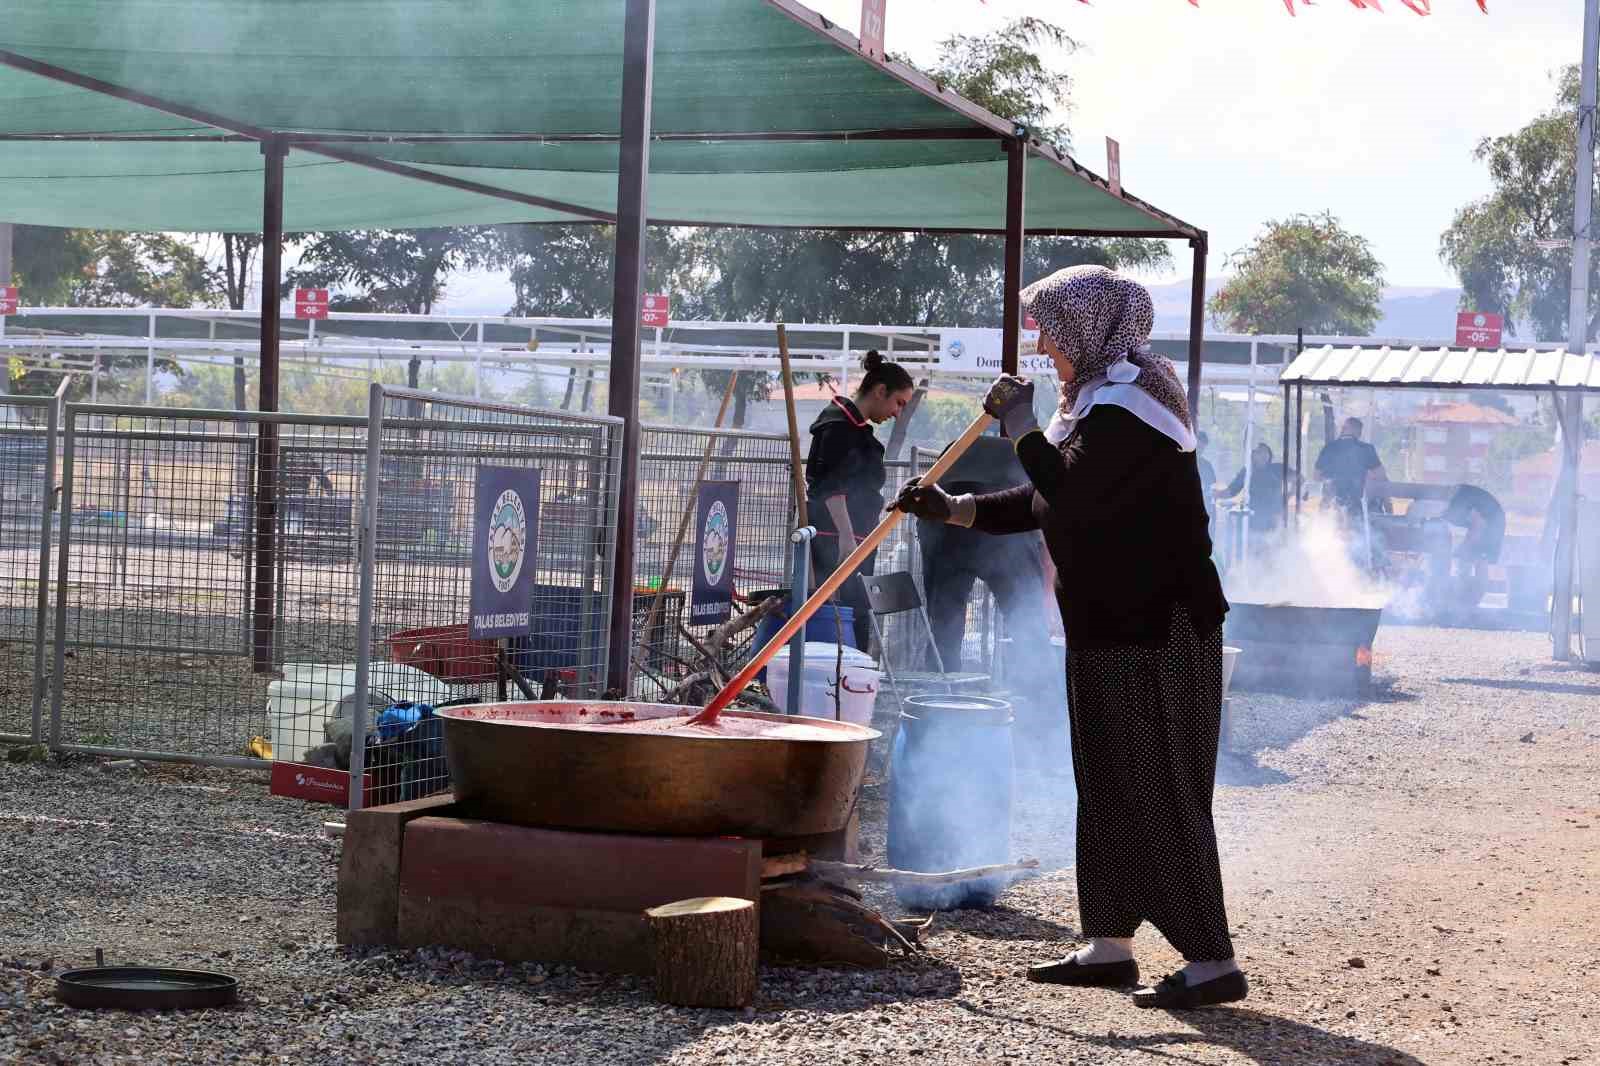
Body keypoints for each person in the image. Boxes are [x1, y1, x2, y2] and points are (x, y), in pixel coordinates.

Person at [892, 266, 1244, 1010]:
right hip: (1107, 623)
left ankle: (1211, 960)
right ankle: (1110, 944)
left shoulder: (1134, 407)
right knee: (1109, 781)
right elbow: (1044, 497)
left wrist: (1018, 424)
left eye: (1049, 327)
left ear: (1087, 328)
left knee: (1161, 788)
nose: (1040, 343)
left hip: (1159, 627)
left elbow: (1073, 496)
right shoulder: (1094, 407)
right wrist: (954, 510)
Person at [914, 430, 1069, 772]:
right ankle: (1044, 731)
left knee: (944, 628)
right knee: (1028, 630)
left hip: (948, 525)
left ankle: (936, 728)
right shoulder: (1039, 457)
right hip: (993, 528)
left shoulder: (973, 449)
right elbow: (1044, 525)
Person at [805, 350, 914, 651]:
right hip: (836, 540)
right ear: (881, 391)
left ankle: (854, 687)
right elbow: (830, 485)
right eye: (898, 403)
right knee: (838, 619)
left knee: (857, 618)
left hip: (856, 539)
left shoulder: (854, 429)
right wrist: (844, 537)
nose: (897, 413)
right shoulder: (837, 425)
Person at [1435, 483, 1505, 609]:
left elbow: (1478, 524)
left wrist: (1464, 547)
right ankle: (1465, 599)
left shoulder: (1459, 502)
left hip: (1492, 523)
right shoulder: (1454, 505)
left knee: (1478, 559)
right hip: (1490, 520)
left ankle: (1470, 601)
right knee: (1469, 557)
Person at [1315, 417, 1387, 520]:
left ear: (1345, 429)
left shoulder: (1328, 448)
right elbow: (1381, 475)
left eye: (1343, 427)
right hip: (1356, 506)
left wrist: (1330, 479)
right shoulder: (1366, 449)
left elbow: (1316, 476)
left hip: (1331, 505)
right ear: (1357, 431)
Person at [1219, 443, 1288, 549]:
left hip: (1274, 518)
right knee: (1255, 550)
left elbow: (1299, 479)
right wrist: (1215, 494)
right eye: (1258, 452)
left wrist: (1287, 497)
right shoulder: (1248, 471)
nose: (1262, 455)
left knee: (1273, 551)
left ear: (1269, 456)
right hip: (1255, 520)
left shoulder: (1277, 468)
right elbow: (1231, 491)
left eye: (1264, 452)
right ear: (1253, 456)